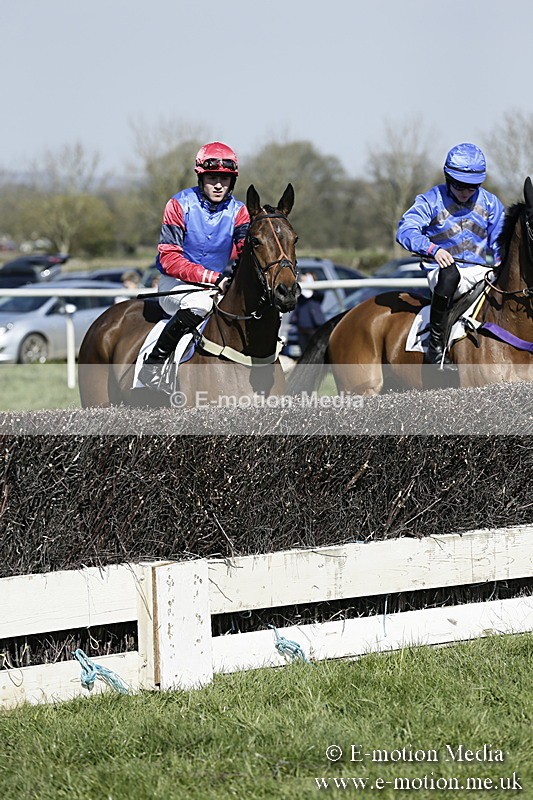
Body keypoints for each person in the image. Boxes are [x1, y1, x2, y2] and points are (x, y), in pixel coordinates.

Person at [138, 141, 250, 389]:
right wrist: (212, 278)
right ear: (201, 177)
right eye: (212, 178)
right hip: (176, 285)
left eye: (225, 178)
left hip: (217, 285)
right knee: (200, 303)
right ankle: (153, 365)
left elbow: (245, 255)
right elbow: (169, 258)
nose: (219, 185)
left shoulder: (240, 212)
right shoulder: (178, 204)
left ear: (233, 181)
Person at [396, 143, 505, 369]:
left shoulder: (491, 203)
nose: (465, 192)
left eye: (472, 187)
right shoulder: (430, 200)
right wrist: (433, 250)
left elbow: (500, 240)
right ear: (448, 178)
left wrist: (499, 261)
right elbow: (405, 231)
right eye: (460, 186)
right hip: (441, 271)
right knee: (450, 274)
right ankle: (436, 345)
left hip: (479, 271)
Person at [289, 273, 326, 354]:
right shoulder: (300, 296)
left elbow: (321, 293)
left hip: (314, 329)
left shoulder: (316, 296)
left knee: (315, 351)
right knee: (304, 352)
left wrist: (311, 282)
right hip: (302, 329)